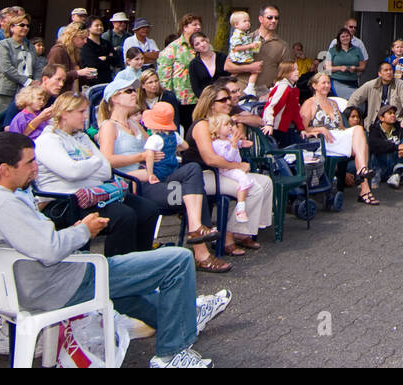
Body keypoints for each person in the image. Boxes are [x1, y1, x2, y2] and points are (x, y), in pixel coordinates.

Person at [0, 131, 232, 368]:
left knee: (127, 286)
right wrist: (84, 231)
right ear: (5, 169)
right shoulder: (6, 205)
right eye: (29, 163)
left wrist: (72, 231)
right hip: (59, 285)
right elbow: (49, 250)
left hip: (28, 286)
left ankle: (184, 322)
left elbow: (34, 242)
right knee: (179, 260)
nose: (35, 168)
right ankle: (172, 353)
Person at [94, 74, 225, 268]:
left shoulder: (135, 124)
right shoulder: (109, 127)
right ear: (114, 98)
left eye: (133, 90)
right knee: (195, 196)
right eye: (129, 91)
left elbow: (157, 146)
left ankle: (196, 231)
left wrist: (170, 141)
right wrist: (142, 157)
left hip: (154, 176)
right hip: (136, 183)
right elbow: (107, 161)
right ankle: (201, 253)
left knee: (192, 169)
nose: (134, 94)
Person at [34, 92, 160, 258]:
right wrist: (93, 162)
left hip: (94, 196)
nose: (85, 116)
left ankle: (142, 262)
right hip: (64, 202)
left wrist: (84, 167)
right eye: (81, 112)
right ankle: (118, 272)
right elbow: (72, 172)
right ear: (65, 113)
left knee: (148, 209)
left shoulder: (82, 137)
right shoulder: (48, 140)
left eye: (86, 111)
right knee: (123, 216)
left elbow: (106, 170)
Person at [185, 85, 274, 255]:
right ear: (211, 103)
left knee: (266, 183)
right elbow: (210, 159)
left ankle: (244, 230)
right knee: (253, 188)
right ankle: (228, 235)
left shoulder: (224, 122)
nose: (228, 102)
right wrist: (238, 166)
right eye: (223, 100)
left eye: (228, 98)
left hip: (222, 172)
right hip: (203, 175)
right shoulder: (202, 125)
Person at [300, 73, 377, 204]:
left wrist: (355, 134)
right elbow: (302, 128)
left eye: (328, 83)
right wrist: (319, 129)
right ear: (314, 86)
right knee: (361, 148)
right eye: (323, 83)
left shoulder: (334, 103)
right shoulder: (310, 103)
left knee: (358, 130)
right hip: (323, 141)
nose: (326, 86)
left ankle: (363, 180)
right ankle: (364, 186)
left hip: (337, 137)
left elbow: (341, 127)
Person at [0, 13, 37, 122]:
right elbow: (5, 68)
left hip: (25, 92)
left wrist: (36, 82)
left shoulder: (31, 47)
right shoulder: (3, 45)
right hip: (6, 91)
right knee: (2, 122)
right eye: (22, 25)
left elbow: (37, 66)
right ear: (12, 27)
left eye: (27, 26)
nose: (25, 28)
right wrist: (27, 81)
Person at [347, 60, 403, 131]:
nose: (389, 72)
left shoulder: (401, 85)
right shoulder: (371, 85)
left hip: (395, 122)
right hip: (374, 123)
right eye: (385, 70)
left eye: (390, 70)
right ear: (379, 74)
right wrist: (350, 116)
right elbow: (354, 99)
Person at [158, 14, 203, 105]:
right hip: (181, 100)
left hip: (201, 99)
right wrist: (170, 99)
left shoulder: (204, 46)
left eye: (199, 25)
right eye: (194, 25)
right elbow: (164, 78)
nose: (198, 27)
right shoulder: (173, 48)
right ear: (185, 27)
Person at [248, 5, 292, 95]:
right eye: (270, 17)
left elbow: (287, 73)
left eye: (276, 18)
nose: (273, 20)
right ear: (261, 19)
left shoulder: (283, 46)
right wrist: (248, 68)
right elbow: (228, 66)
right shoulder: (247, 39)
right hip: (242, 91)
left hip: (266, 93)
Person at [48, 23, 98, 95]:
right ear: (72, 37)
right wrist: (78, 73)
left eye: (86, 38)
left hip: (73, 94)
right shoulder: (58, 51)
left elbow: (76, 78)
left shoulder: (75, 52)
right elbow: (53, 76)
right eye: (82, 38)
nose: (85, 41)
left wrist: (86, 76)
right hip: (60, 96)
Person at [368, 104, 403, 187]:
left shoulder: (399, 127)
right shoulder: (374, 129)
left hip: (395, 161)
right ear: (381, 118)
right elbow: (374, 144)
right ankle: (396, 174)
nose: (393, 115)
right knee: (382, 148)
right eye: (390, 113)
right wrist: (396, 147)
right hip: (381, 165)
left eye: (394, 113)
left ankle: (397, 173)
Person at [226, 10, 264, 95]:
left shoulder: (244, 34)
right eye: (245, 21)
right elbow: (236, 48)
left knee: (235, 73)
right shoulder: (237, 35)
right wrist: (250, 46)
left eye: (249, 21)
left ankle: (226, 84)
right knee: (256, 69)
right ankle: (250, 87)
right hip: (241, 57)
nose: (248, 23)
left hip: (241, 57)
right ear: (236, 24)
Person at [326, 27, 366, 100]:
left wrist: (355, 68)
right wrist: (339, 68)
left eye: (347, 36)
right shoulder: (332, 50)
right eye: (343, 36)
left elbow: (363, 66)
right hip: (336, 82)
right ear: (339, 38)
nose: (345, 38)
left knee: (352, 103)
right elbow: (327, 68)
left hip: (352, 82)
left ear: (350, 37)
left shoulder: (357, 50)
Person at [79, 17, 117, 86]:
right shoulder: (86, 44)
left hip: (107, 80)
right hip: (92, 82)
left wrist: (106, 58)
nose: (100, 27)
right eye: (97, 25)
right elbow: (92, 63)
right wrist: (109, 58)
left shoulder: (106, 43)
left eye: (101, 25)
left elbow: (116, 60)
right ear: (89, 28)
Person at [187, 32, 225, 100]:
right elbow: (196, 88)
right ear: (194, 48)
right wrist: (208, 99)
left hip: (224, 97)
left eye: (203, 41)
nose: (202, 45)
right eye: (197, 44)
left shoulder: (222, 57)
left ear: (207, 40)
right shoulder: (194, 64)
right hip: (206, 100)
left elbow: (230, 77)